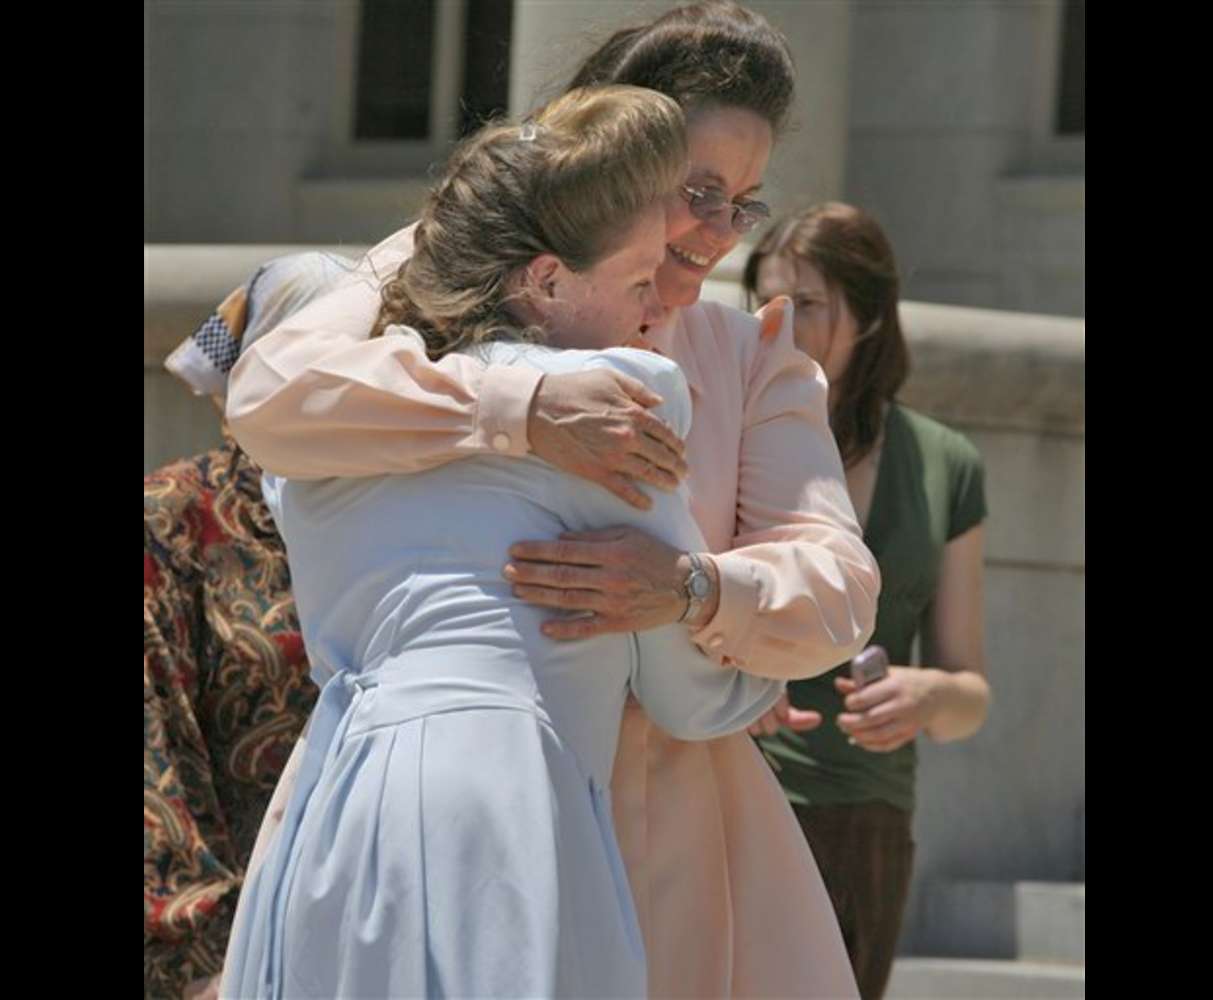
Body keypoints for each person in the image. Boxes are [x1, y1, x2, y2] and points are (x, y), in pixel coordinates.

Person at [225, 3, 876, 995]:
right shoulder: (437, 271)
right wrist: (515, 404)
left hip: (677, 841)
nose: (716, 232)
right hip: (436, 803)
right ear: (617, 154)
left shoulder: (748, 357)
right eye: (698, 189)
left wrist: (695, 588)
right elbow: (271, 396)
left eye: (742, 203)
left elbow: (835, 584)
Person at [743, 201, 991, 1000]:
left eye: (807, 304)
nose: (777, 322)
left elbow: (970, 695)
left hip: (868, 822)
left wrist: (928, 694)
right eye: (763, 300)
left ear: (871, 315)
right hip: (735, 791)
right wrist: (732, 674)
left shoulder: (944, 464)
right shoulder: (732, 434)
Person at [144, 253, 350, 998]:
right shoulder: (172, 517)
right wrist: (199, 958)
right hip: (228, 960)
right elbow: (151, 745)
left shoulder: (398, 516)